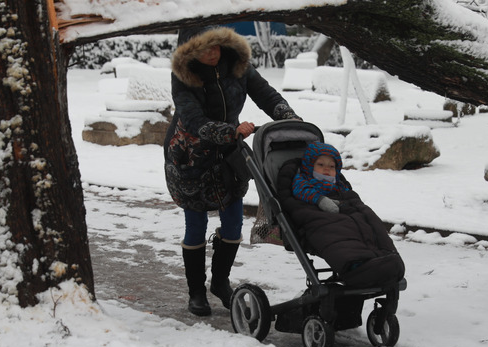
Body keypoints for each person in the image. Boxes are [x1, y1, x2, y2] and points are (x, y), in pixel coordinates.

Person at [164, 25, 301, 317]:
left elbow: (266, 95)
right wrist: (230, 130)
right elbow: (193, 119)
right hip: (191, 155)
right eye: (203, 48)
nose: (211, 53)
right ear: (190, 50)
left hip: (229, 153)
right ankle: (197, 292)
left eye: (215, 46)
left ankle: (220, 282)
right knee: (196, 225)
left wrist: (288, 116)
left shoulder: (237, 67)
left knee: (233, 222)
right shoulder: (184, 77)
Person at [278, 142, 405, 289]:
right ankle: (357, 263)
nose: (327, 169)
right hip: (317, 214)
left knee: (369, 219)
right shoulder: (302, 182)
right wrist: (319, 200)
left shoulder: (339, 185)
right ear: (309, 167)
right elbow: (302, 192)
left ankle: (385, 255)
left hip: (344, 208)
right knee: (339, 229)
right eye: (320, 165)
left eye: (332, 167)